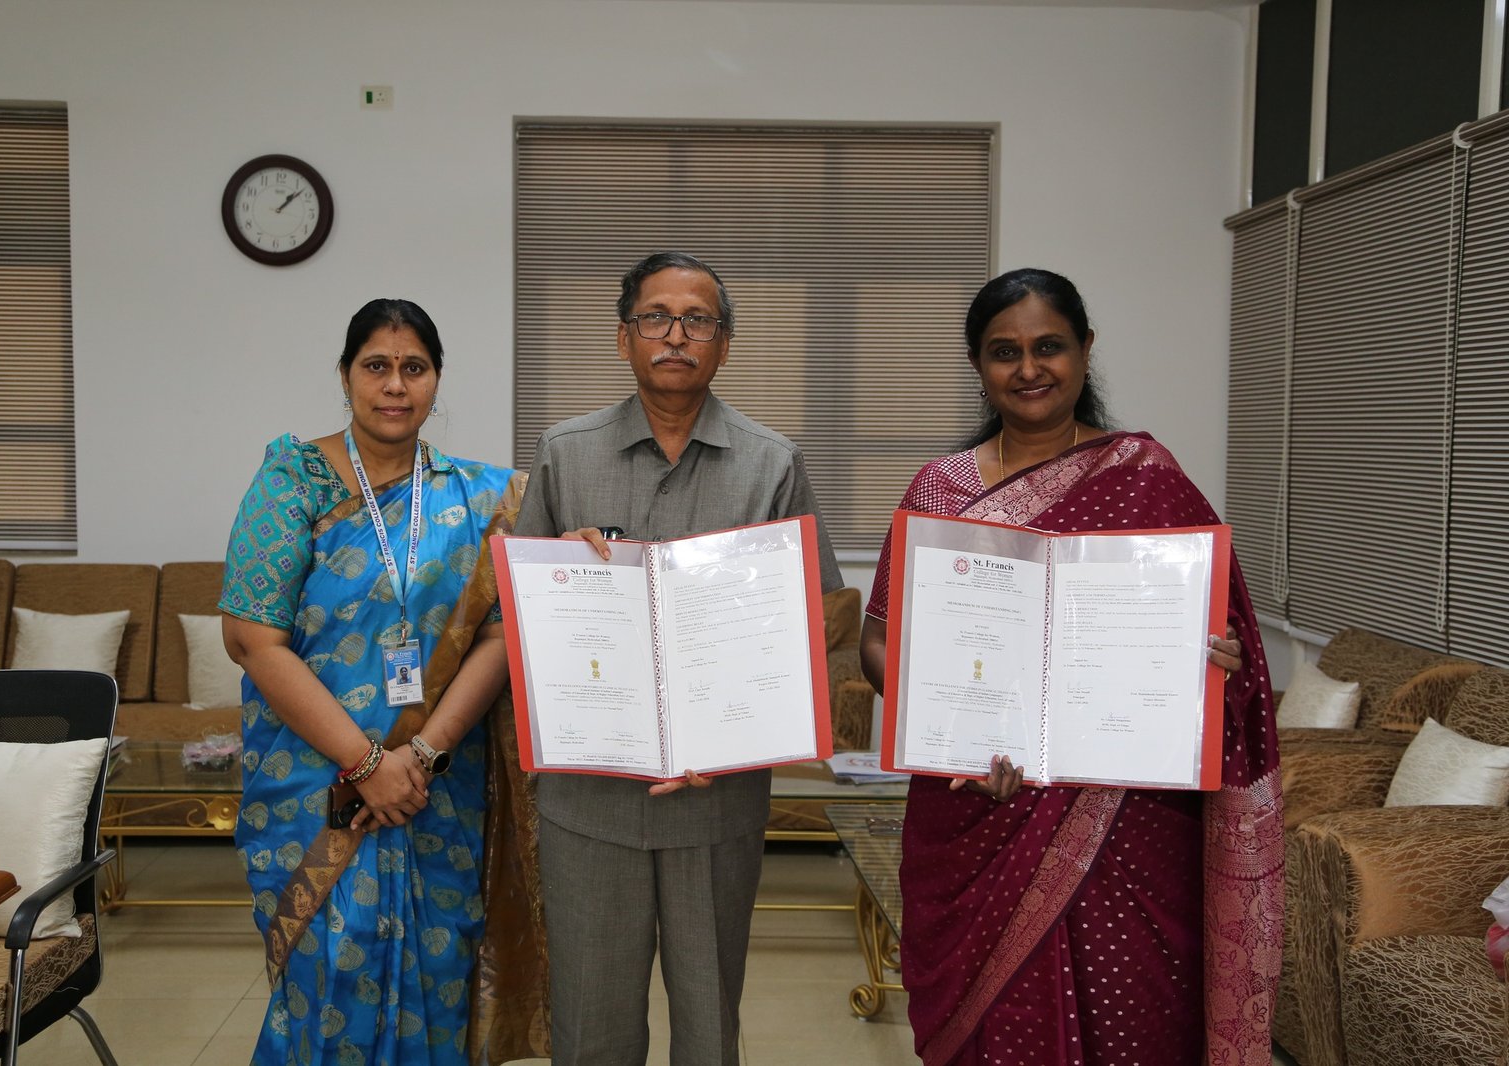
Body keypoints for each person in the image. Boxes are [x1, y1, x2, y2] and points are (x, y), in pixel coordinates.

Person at [859, 268, 1282, 1066]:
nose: (1029, 369)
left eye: (1048, 346)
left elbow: (1225, 641)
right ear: (978, 365)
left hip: (1127, 821)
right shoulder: (940, 490)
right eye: (1004, 352)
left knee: (1133, 1017)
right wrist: (950, 738)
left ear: (1086, 350)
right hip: (975, 807)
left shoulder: (1149, 478)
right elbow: (878, 641)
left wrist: (1219, 664)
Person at [515, 251, 844, 1066]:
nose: (675, 336)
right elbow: (516, 623)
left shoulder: (772, 462)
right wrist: (562, 575)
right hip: (589, 797)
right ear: (623, 337)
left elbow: (822, 617)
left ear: (724, 344)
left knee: (708, 1026)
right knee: (590, 1028)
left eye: (698, 321)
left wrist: (742, 710)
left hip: (717, 798)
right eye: (655, 318)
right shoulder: (564, 452)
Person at [220, 298, 544, 1065]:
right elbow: (252, 640)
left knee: (441, 976)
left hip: (436, 790)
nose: (395, 385)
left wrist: (421, 755)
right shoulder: (292, 481)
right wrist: (366, 764)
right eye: (376, 366)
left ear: (436, 380)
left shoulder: (480, 498)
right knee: (330, 973)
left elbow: (501, 632)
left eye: (414, 368)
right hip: (317, 790)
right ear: (346, 376)